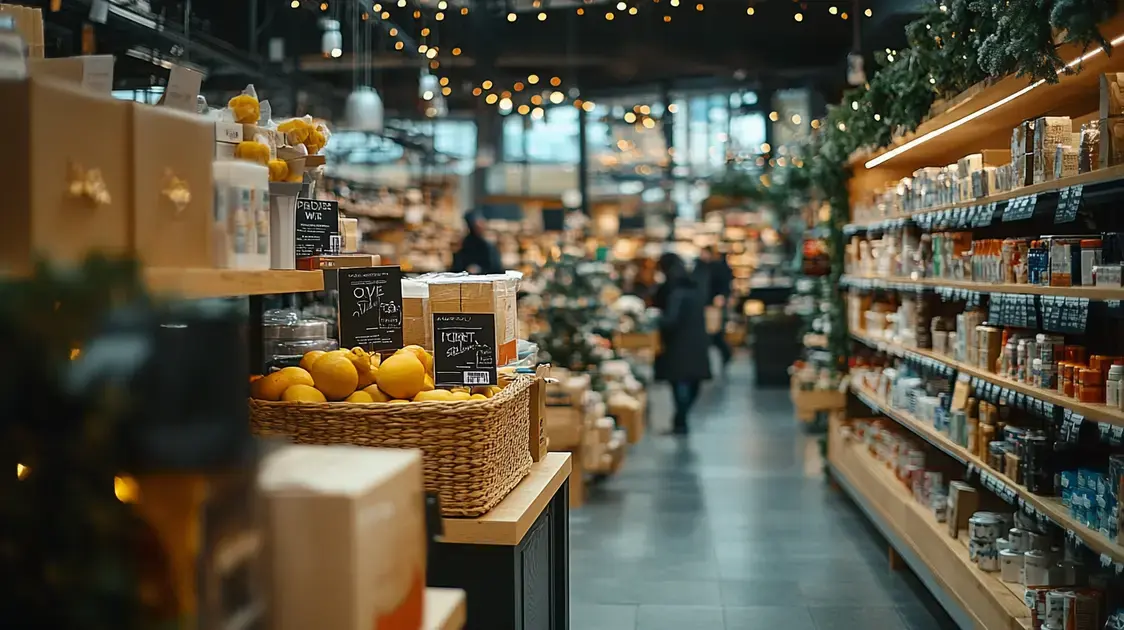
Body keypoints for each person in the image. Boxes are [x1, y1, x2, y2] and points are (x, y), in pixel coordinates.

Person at [653, 252, 712, 435]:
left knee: (679, 383)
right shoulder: (695, 286)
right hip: (697, 340)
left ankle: (681, 419)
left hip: (678, 343)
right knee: (693, 382)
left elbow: (671, 319)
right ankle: (681, 419)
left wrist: (655, 319)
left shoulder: (674, 290)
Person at [698, 246, 734, 369]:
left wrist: (722, 296)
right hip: (708, 304)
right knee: (713, 333)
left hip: (715, 305)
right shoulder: (704, 267)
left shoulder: (716, 268)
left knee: (716, 333)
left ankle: (726, 354)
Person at [451, 211, 503, 275]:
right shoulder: (465, 244)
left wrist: (480, 269)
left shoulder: (488, 245)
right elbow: (457, 267)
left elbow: (496, 268)